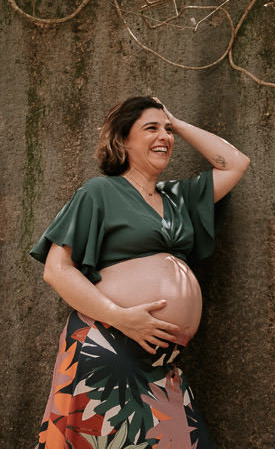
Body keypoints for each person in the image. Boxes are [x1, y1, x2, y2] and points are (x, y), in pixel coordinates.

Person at [29, 96, 250, 449]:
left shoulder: (179, 198)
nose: (164, 136)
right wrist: (121, 317)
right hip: (107, 346)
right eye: (150, 128)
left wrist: (174, 122)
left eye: (166, 130)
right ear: (122, 140)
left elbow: (235, 163)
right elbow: (57, 271)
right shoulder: (99, 192)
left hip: (159, 360)